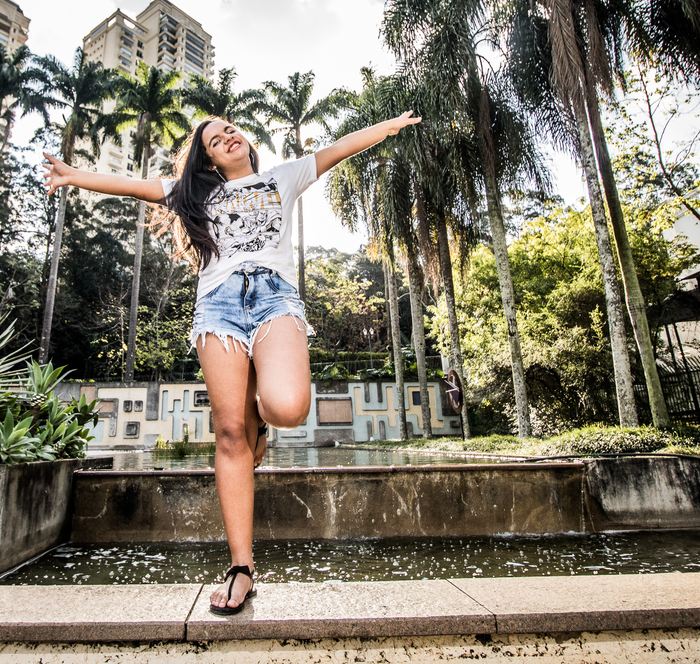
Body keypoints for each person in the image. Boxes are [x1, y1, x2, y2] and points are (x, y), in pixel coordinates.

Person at [41, 109, 420, 614]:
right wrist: (73, 175)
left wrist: (386, 128)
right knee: (228, 434)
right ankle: (241, 567)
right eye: (216, 140)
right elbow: (131, 186)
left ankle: (262, 421)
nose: (227, 137)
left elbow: (339, 148)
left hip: (275, 299)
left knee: (287, 408)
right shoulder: (192, 193)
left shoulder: (283, 177)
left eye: (229, 129)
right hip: (217, 308)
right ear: (209, 161)